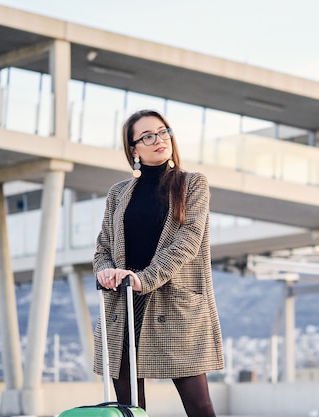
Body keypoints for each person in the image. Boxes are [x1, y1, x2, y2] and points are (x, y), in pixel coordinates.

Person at [93, 109, 224, 417]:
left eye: (163, 132)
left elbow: (188, 241)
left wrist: (144, 278)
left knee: (199, 407)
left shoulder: (192, 184)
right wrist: (106, 272)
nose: (159, 140)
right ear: (133, 148)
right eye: (148, 136)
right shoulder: (118, 193)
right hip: (122, 308)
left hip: (174, 306)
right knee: (130, 410)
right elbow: (102, 246)